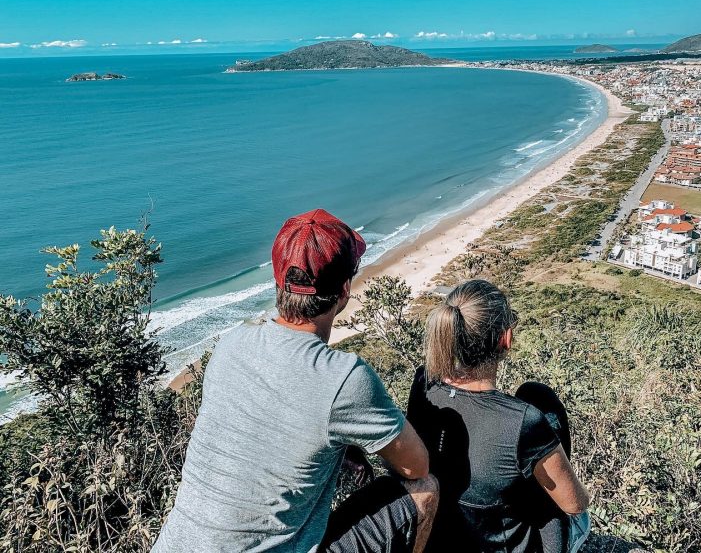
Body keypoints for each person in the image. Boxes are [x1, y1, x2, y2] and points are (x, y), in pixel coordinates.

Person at [153, 209, 438, 553]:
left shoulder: (230, 345)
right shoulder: (344, 377)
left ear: (276, 281)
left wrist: (340, 445)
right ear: (345, 290)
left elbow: (265, 423)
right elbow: (415, 464)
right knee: (425, 489)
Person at [406, 279, 590, 553]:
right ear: (506, 338)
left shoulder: (424, 384)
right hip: (501, 544)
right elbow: (575, 504)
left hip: (446, 535)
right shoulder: (522, 421)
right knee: (538, 394)